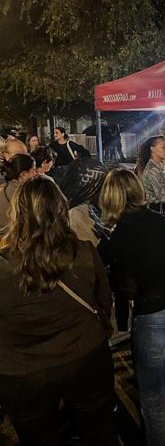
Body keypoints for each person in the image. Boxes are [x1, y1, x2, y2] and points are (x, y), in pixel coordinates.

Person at [0, 176, 117, 446]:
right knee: (98, 433)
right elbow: (104, 301)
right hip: (85, 357)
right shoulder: (84, 252)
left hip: (23, 373)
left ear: (17, 214)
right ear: (61, 208)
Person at [98, 169, 165, 446]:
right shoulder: (163, 222)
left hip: (154, 318)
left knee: (152, 397)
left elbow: (125, 288)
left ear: (110, 198)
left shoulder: (119, 236)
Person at [60, 157, 109, 246]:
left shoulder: (85, 208)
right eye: (103, 185)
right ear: (91, 188)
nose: (106, 191)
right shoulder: (76, 215)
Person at [141, 135, 165, 215]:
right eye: (163, 147)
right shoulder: (152, 169)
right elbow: (161, 197)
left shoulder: (158, 167)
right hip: (156, 211)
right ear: (152, 149)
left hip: (161, 210)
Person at [0, 154, 36, 234]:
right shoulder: (25, 195)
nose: (35, 174)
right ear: (23, 175)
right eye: (33, 170)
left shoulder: (4, 189)